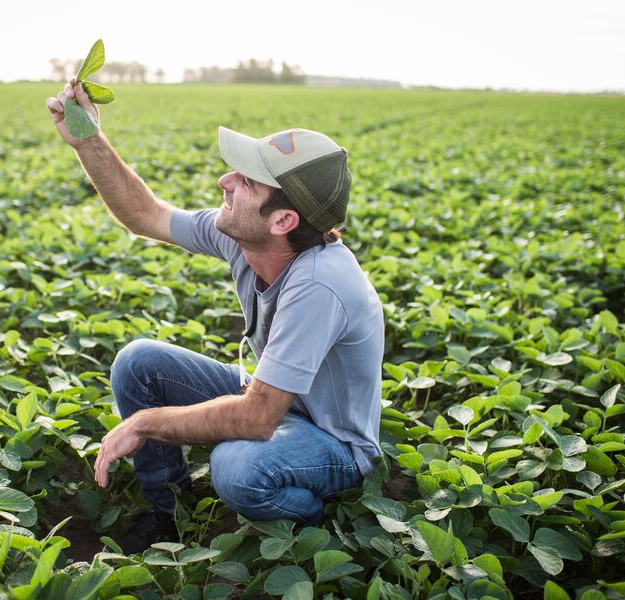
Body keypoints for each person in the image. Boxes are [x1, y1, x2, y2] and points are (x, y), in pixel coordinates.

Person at [47, 79, 384, 553]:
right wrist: (88, 141)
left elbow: (258, 417)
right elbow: (147, 215)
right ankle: (172, 516)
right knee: (138, 362)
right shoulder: (246, 233)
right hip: (274, 399)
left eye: (246, 181)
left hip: (334, 443)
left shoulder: (320, 284)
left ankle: (315, 521)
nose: (226, 181)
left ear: (282, 221)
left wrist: (144, 423)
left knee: (237, 467)